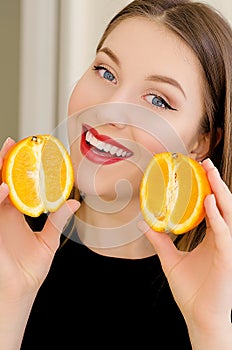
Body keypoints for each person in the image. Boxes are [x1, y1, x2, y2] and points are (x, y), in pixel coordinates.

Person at [0, 0, 232, 348]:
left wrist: (209, 328)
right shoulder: (9, 244)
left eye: (157, 100)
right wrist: (10, 301)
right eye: (106, 72)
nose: (111, 108)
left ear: (201, 142)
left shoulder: (217, 289)